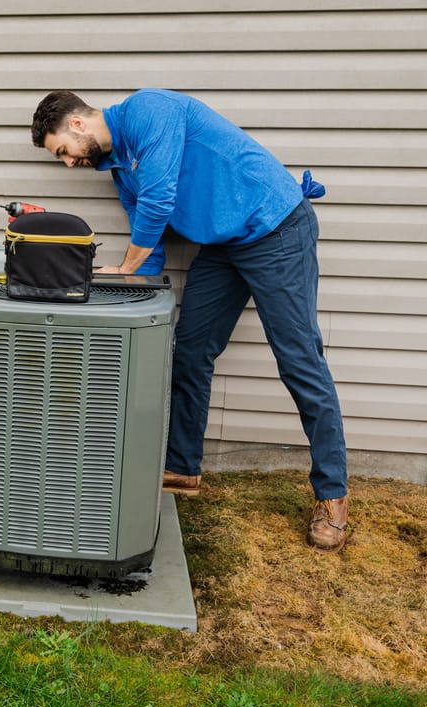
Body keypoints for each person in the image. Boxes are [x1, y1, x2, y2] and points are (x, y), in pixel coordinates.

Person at [30, 89, 349, 553]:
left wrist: (125, 264)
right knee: (191, 348)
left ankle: (332, 494)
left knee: (299, 359)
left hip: (275, 226)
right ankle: (182, 466)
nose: (68, 163)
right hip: (223, 245)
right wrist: (129, 282)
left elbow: (159, 200)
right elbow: (148, 231)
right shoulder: (118, 168)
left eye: (62, 151)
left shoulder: (149, 111)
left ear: (78, 124)